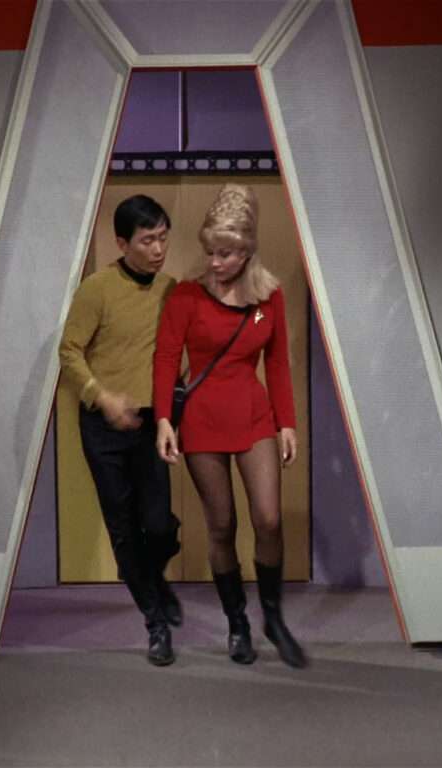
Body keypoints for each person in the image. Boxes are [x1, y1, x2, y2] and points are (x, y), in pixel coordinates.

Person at [153, 183, 306, 668]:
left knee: (269, 519)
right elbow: (166, 358)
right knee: (221, 525)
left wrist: (287, 423)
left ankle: (273, 618)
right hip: (202, 422)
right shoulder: (186, 295)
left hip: (254, 417)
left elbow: (277, 364)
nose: (214, 262)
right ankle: (237, 623)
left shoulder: (269, 297)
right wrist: (163, 419)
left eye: (225, 253)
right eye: (210, 252)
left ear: (246, 251)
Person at [58, 194, 183, 666]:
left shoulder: (171, 289)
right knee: (124, 530)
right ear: (122, 243)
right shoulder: (97, 289)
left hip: (152, 423)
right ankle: (155, 622)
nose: (158, 249)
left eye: (163, 238)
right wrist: (101, 396)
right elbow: (69, 350)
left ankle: (153, 577)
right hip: (104, 425)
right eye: (148, 240)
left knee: (158, 525)